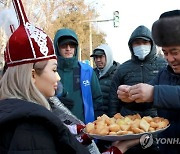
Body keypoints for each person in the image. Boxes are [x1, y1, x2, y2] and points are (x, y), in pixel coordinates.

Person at [117, 10, 180, 154]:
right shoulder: (164, 74)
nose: (170, 59)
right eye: (165, 53)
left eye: (175, 52)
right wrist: (131, 96)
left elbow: (155, 93)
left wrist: (154, 93)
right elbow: (146, 98)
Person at [109, 25, 167, 154]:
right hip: (128, 126)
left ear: (152, 44)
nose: (141, 46)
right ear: (131, 46)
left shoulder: (164, 65)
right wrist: (114, 133)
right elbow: (113, 98)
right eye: (137, 43)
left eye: (145, 42)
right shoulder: (123, 68)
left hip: (155, 125)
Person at [54, 28, 103, 124]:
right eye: (64, 45)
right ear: (57, 47)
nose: (68, 48)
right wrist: (56, 102)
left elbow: (98, 99)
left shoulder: (87, 71)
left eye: (71, 45)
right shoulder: (50, 70)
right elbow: (40, 99)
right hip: (57, 127)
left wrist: (93, 122)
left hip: (83, 129)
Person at [90, 44, 120, 114]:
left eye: (101, 57)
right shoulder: (91, 74)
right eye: (95, 57)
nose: (98, 60)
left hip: (113, 119)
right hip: (95, 119)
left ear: (108, 56)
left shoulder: (119, 73)